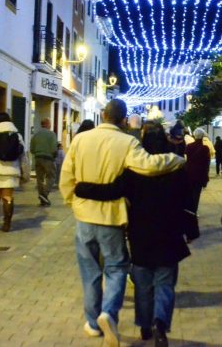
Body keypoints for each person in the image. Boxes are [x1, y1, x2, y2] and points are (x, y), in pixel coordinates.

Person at [59, 99, 185, 347]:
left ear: (104, 115)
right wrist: (176, 159)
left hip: (84, 218)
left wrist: (72, 203)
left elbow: (66, 176)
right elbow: (149, 165)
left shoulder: (81, 139)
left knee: (89, 272)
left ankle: (94, 323)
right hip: (110, 218)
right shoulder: (127, 142)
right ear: (123, 119)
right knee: (116, 268)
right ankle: (109, 313)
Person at [30, 118, 58, 206]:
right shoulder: (52, 134)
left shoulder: (36, 135)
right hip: (48, 158)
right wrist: (54, 156)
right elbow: (54, 148)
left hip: (38, 158)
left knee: (39, 178)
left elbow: (31, 149)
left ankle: (42, 198)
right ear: (48, 124)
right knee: (51, 176)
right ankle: (44, 194)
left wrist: (37, 153)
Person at [185, 128, 210, 215]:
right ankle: (193, 211)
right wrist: (206, 177)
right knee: (196, 194)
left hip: (189, 174)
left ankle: (188, 209)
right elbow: (206, 164)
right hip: (200, 175)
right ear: (202, 137)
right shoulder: (205, 149)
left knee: (189, 193)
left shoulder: (188, 146)